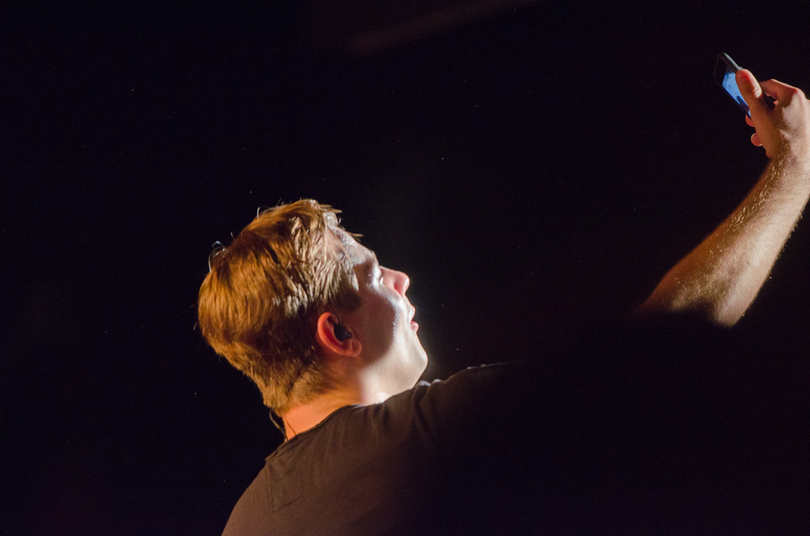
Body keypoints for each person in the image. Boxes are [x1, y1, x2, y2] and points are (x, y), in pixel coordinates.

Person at [198, 68, 810, 534]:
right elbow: (653, 356)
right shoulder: (428, 437)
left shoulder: (245, 521)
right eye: (376, 275)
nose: (402, 280)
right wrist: (795, 170)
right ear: (338, 333)